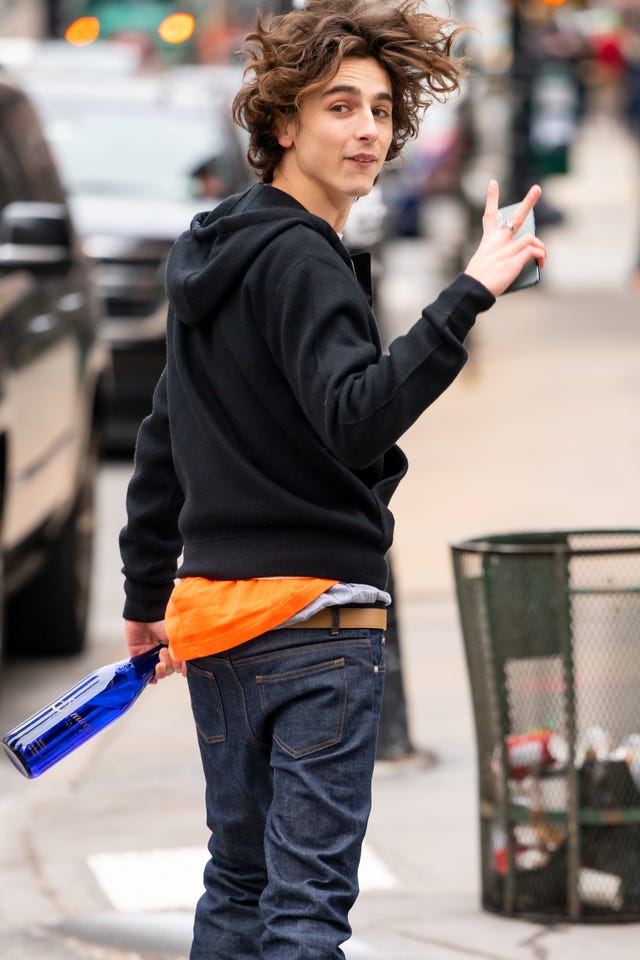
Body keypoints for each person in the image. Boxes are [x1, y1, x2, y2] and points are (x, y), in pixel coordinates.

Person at [119, 2, 546, 958]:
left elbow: (162, 434)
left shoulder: (217, 250)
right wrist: (471, 289)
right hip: (316, 624)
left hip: (218, 620)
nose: (366, 131)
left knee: (238, 884)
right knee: (304, 910)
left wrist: (148, 593)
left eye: (382, 112)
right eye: (339, 107)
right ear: (282, 125)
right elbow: (357, 420)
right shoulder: (305, 260)